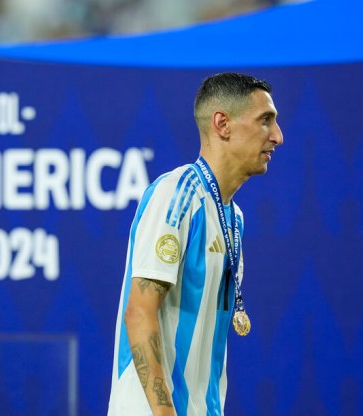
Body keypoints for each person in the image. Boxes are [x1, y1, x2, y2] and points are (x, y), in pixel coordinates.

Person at [108, 72, 284, 415]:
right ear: (222, 124)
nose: (277, 136)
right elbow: (139, 312)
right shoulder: (177, 193)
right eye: (265, 121)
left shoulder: (234, 219)